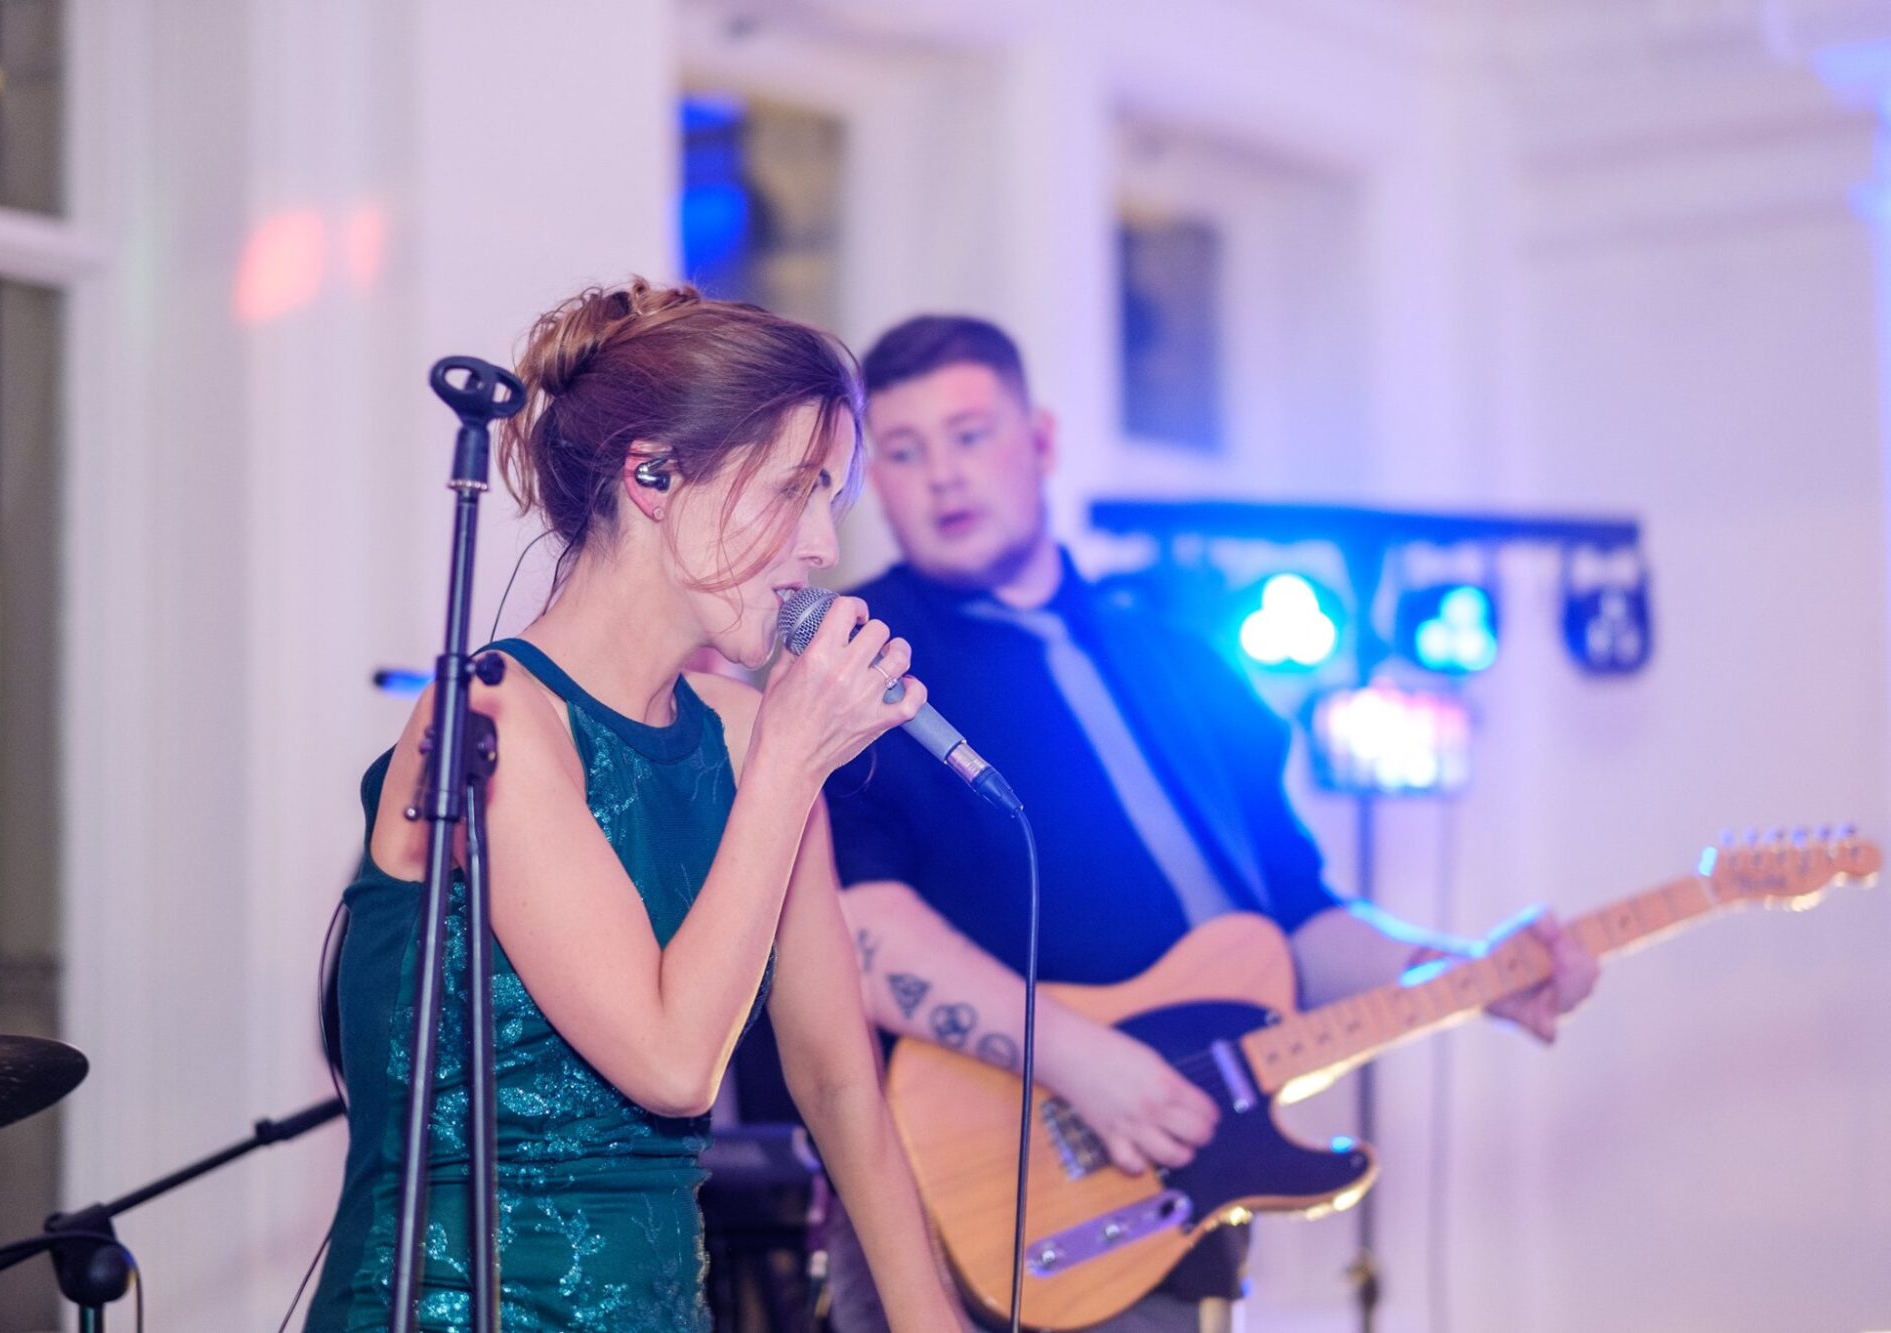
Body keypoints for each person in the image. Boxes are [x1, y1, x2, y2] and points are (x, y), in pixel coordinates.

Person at [816, 315, 1601, 1332]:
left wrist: (1466, 971)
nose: (943, 477)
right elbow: (852, 930)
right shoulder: (860, 656)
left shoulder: (1177, 656)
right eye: (904, 451)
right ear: (873, 479)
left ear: (1041, 440)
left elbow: (1295, 920)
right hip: (960, 1195)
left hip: (1170, 1201)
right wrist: (1081, 1059)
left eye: (970, 435)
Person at [304, 281, 962, 1332]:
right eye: (793, 490)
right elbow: (670, 1065)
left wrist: (933, 1320)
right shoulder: (488, 720)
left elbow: (838, 1082)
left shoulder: (748, 734)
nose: (820, 548)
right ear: (652, 476)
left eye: (829, 502)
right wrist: (789, 764)